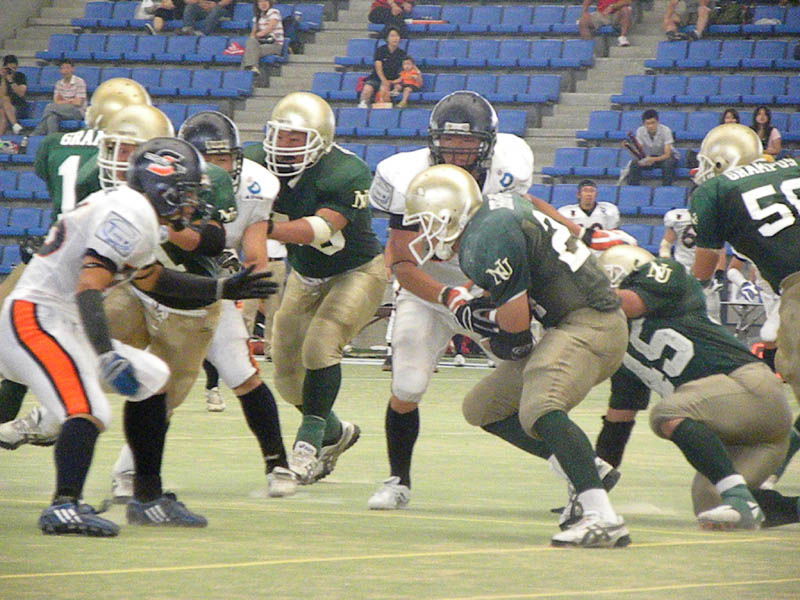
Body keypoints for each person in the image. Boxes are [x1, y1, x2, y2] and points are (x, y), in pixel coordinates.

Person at [0, 137, 275, 536]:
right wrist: (105, 352)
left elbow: (152, 279)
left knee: (154, 377)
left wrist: (221, 288)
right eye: (187, 192)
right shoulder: (129, 213)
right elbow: (89, 287)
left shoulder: (136, 212)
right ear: (162, 186)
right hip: (36, 317)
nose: (193, 204)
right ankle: (64, 505)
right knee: (88, 408)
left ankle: (147, 498)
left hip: (61, 319)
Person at [403, 164, 631, 548]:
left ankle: (603, 517)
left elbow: (517, 333)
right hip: (571, 322)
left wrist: (475, 315)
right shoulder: (498, 209)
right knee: (483, 407)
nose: (425, 231)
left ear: (450, 214)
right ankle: (584, 468)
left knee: (540, 406)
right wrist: (477, 301)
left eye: (427, 220)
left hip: (592, 322)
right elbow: (533, 212)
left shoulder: (485, 238)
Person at [367, 91, 535, 509]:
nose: (458, 151)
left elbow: (525, 220)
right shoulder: (407, 177)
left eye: (468, 142)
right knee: (407, 385)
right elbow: (402, 262)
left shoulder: (508, 168)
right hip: (429, 289)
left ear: (488, 144)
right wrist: (447, 295)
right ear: (433, 140)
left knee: (537, 381)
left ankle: (571, 468)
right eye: (449, 141)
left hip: (488, 287)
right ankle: (398, 480)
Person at [0, 78, 153, 450]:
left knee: (16, 357)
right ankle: (54, 418)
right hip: (96, 267)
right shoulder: (122, 160)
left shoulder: (55, 144)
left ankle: (25, 419)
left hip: (48, 257)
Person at [244, 91, 387, 485]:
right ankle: (336, 432)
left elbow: (320, 229)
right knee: (287, 376)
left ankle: (306, 447)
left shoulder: (346, 171)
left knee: (320, 345)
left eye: (296, 138)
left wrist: (261, 228)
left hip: (357, 272)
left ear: (321, 141)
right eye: (280, 135)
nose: (284, 145)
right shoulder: (253, 161)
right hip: (305, 276)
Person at [597, 245, 793, 529]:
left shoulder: (668, 274)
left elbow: (632, 303)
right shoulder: (623, 348)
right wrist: (590, 491)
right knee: (710, 505)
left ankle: (738, 497)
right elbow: (617, 425)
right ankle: (783, 507)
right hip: (749, 436)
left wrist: (584, 293)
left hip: (750, 387)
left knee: (667, 412)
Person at [177, 110, 295, 497]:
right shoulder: (164, 180)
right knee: (161, 385)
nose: (218, 167)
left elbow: (255, 253)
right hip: (162, 286)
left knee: (243, 373)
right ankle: (130, 471)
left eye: (224, 158)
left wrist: (247, 279)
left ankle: (278, 464)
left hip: (214, 286)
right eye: (208, 159)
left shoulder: (255, 185)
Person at [690, 123, 800, 506]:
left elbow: (704, 266)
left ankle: (762, 480)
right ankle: (767, 479)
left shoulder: (715, 190)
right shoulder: (792, 166)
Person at [31, 59, 86, 136]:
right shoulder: (59, 83)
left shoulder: (79, 82)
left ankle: (37, 133)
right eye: (62, 68)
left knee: (49, 107)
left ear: (72, 69)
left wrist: (63, 100)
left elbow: (78, 103)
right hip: (61, 111)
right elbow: (56, 102)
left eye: (67, 68)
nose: (65, 71)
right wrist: (71, 100)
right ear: (60, 70)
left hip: (77, 112)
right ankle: (52, 138)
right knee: (52, 117)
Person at [626, 109, 678, 186]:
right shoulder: (640, 131)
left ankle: (666, 187)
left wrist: (652, 159)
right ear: (644, 124)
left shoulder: (666, 130)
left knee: (668, 164)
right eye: (648, 124)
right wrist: (629, 148)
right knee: (634, 163)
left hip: (666, 157)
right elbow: (639, 151)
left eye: (653, 123)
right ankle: (633, 187)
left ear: (657, 122)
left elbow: (667, 155)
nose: (651, 126)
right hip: (650, 157)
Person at [359, 27, 406, 108]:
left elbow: (403, 71)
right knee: (367, 89)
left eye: (397, 36)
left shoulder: (402, 53)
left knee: (384, 91)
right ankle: (362, 107)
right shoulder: (381, 50)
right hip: (376, 78)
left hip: (392, 80)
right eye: (392, 36)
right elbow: (378, 67)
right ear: (387, 38)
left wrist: (395, 82)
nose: (395, 38)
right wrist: (384, 80)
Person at [242, 0, 284, 73]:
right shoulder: (258, 16)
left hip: (275, 44)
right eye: (260, 2)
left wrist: (257, 35)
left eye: (265, 1)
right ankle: (252, 70)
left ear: (269, 2)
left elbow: (269, 28)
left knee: (249, 53)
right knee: (250, 44)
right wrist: (253, 37)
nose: (263, 4)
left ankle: (247, 73)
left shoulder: (274, 12)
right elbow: (253, 33)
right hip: (261, 44)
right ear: (257, 4)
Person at [0, 55, 28, 135]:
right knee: (3, 105)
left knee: (3, 110)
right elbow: (1, 95)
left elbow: (21, 93)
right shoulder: (1, 78)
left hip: (18, 106)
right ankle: (15, 125)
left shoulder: (20, 76)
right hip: (5, 106)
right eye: (9, 68)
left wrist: (11, 80)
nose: (12, 70)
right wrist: (3, 79)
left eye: (14, 68)